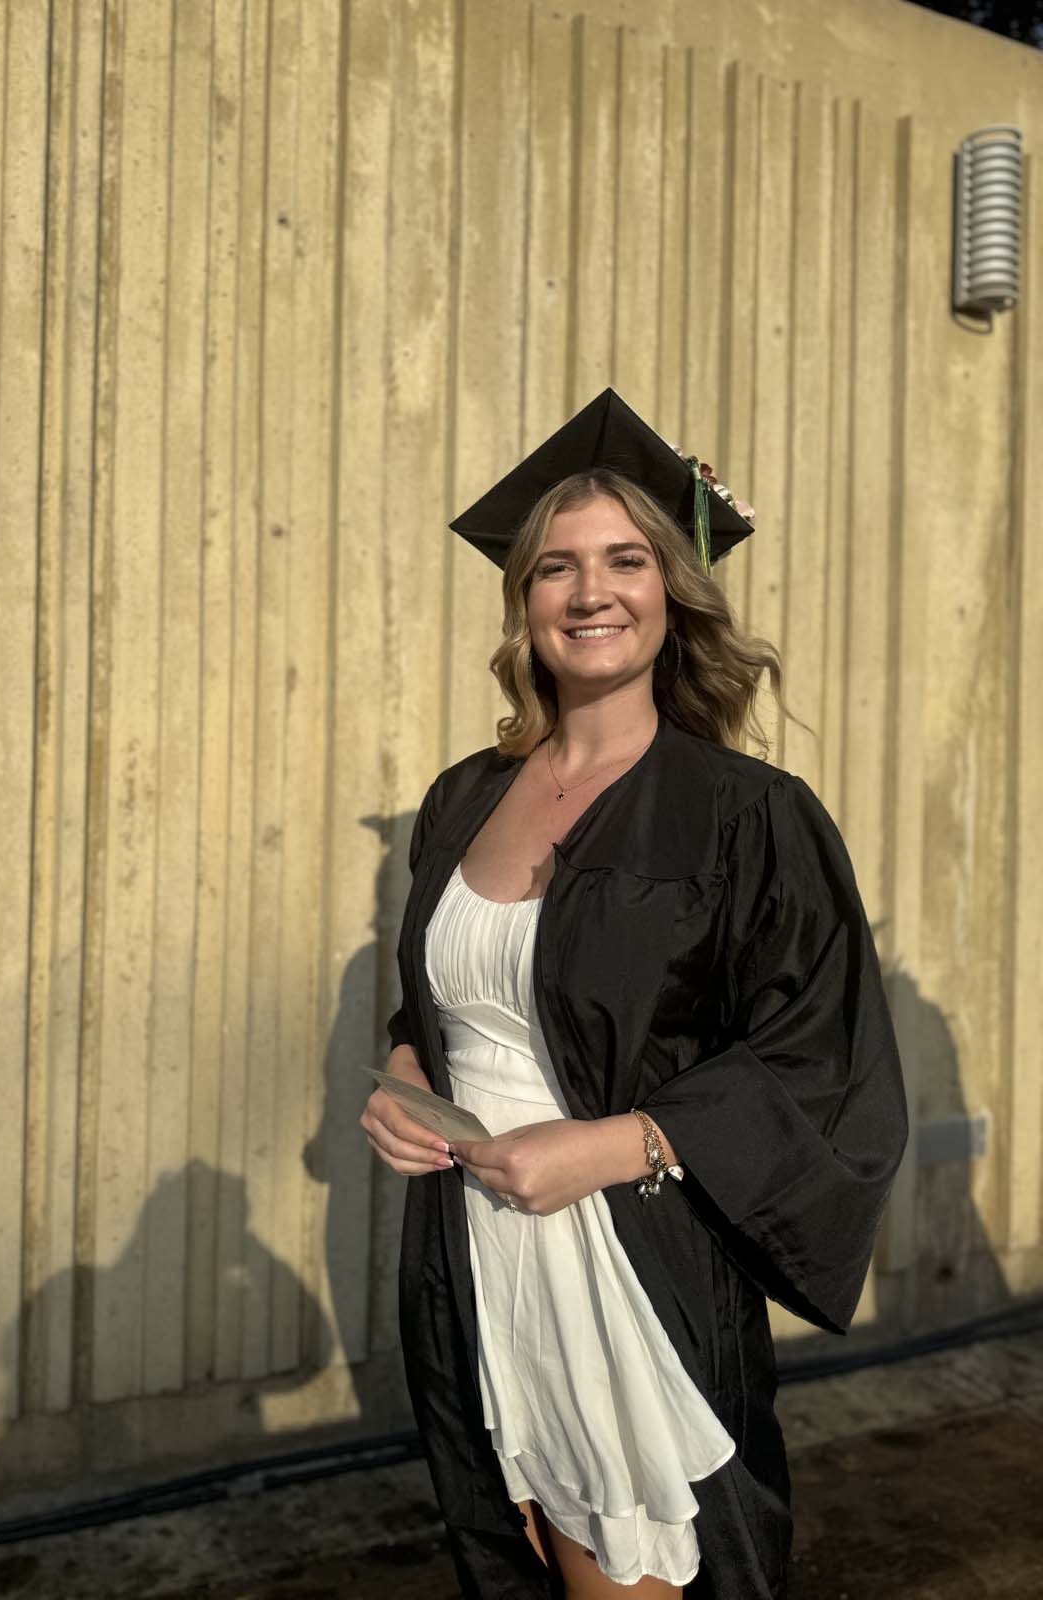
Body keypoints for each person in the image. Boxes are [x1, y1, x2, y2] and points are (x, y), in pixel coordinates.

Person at [360, 390, 908, 1599]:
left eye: (625, 560)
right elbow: (449, 1001)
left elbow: (823, 1059)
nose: (589, 590)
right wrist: (408, 1073)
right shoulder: (463, 800)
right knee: (522, 1557)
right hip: (474, 1248)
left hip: (624, 1255)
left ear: (673, 590)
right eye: (556, 565)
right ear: (524, 602)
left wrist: (615, 1143)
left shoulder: (747, 815)